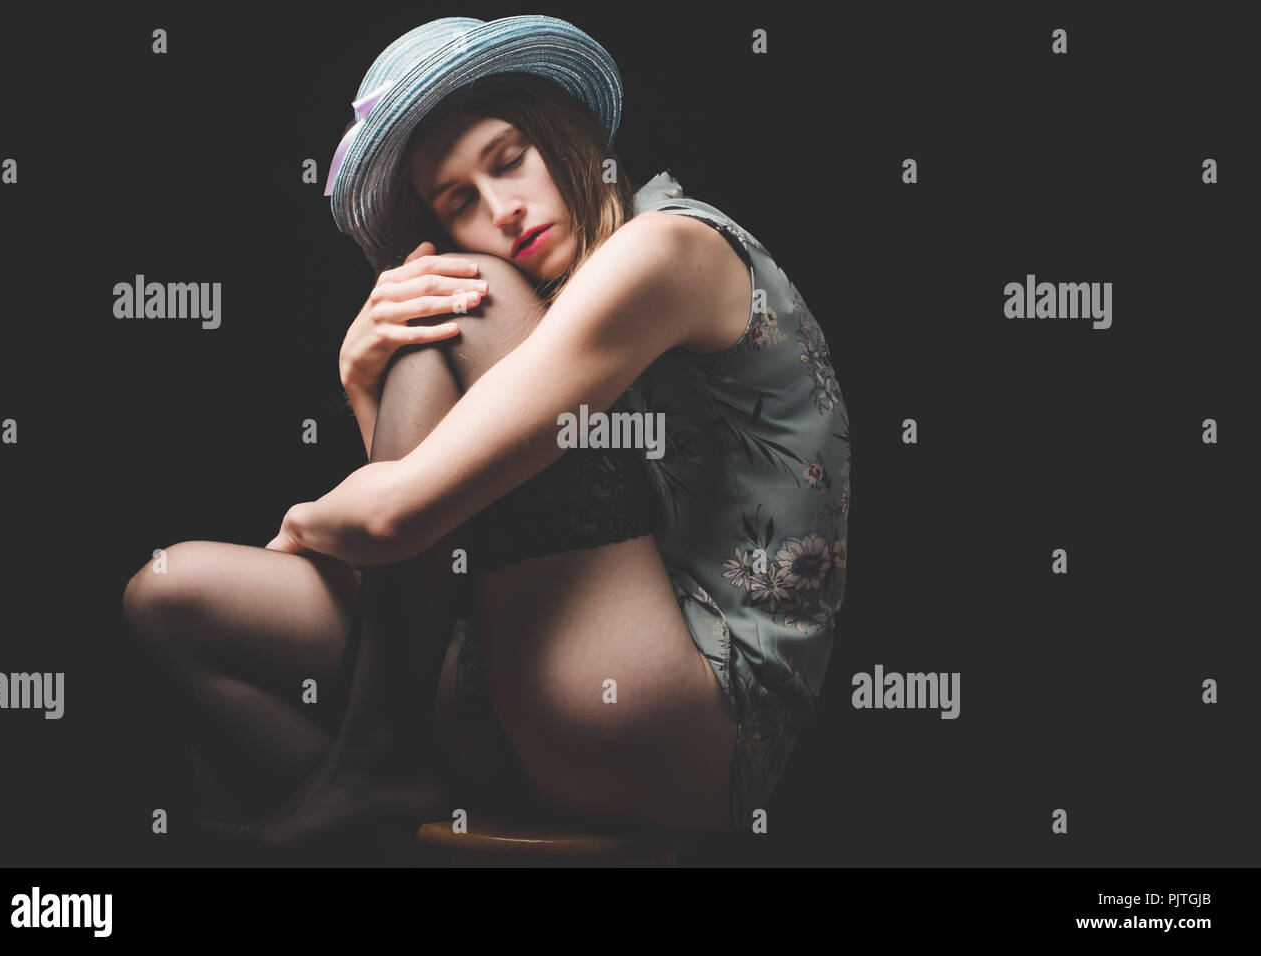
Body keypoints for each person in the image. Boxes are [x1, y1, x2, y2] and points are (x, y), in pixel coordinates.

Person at [120, 15, 850, 851]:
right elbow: (437, 551)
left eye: (510, 160)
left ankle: (375, 767)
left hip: (679, 722)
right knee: (169, 595)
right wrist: (364, 386)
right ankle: (369, 804)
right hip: (535, 698)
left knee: (466, 295)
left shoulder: (668, 249)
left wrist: (304, 521)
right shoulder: (541, 318)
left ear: (565, 135)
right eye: (459, 200)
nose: (502, 211)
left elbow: (399, 518)